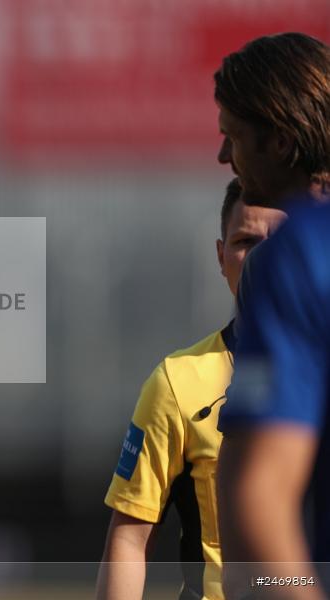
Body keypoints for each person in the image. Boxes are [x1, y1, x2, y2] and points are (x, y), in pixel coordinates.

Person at [94, 179, 286, 600]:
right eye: (245, 241)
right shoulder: (178, 380)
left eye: (280, 239)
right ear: (221, 257)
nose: (262, 258)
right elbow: (129, 538)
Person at [212, 32, 330, 599]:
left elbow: (258, 492)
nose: (222, 158)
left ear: (280, 142)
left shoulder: (296, 257)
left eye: (231, 137)